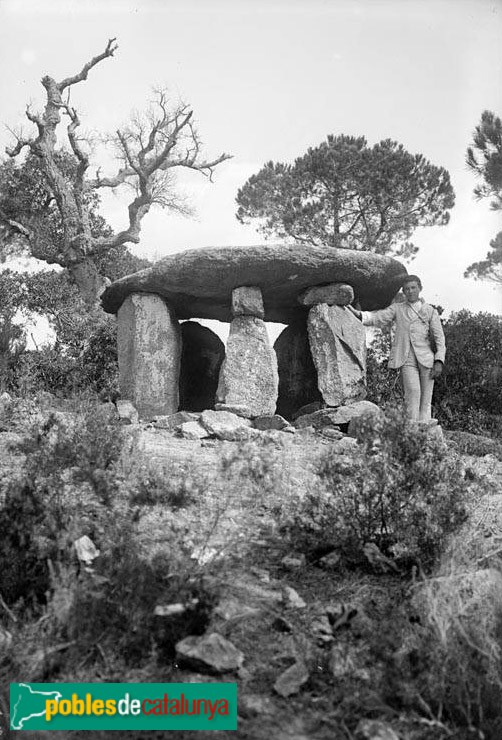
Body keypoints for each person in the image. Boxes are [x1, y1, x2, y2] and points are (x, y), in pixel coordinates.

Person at [348, 275, 446, 422]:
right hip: (406, 358)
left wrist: (439, 361)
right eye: (407, 289)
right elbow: (380, 317)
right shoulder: (398, 309)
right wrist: (360, 315)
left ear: (420, 288)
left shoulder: (430, 311)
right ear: (403, 292)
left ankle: (424, 436)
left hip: (427, 359)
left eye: (413, 288)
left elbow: (440, 338)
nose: (410, 291)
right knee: (412, 393)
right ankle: (411, 433)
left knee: (426, 400)